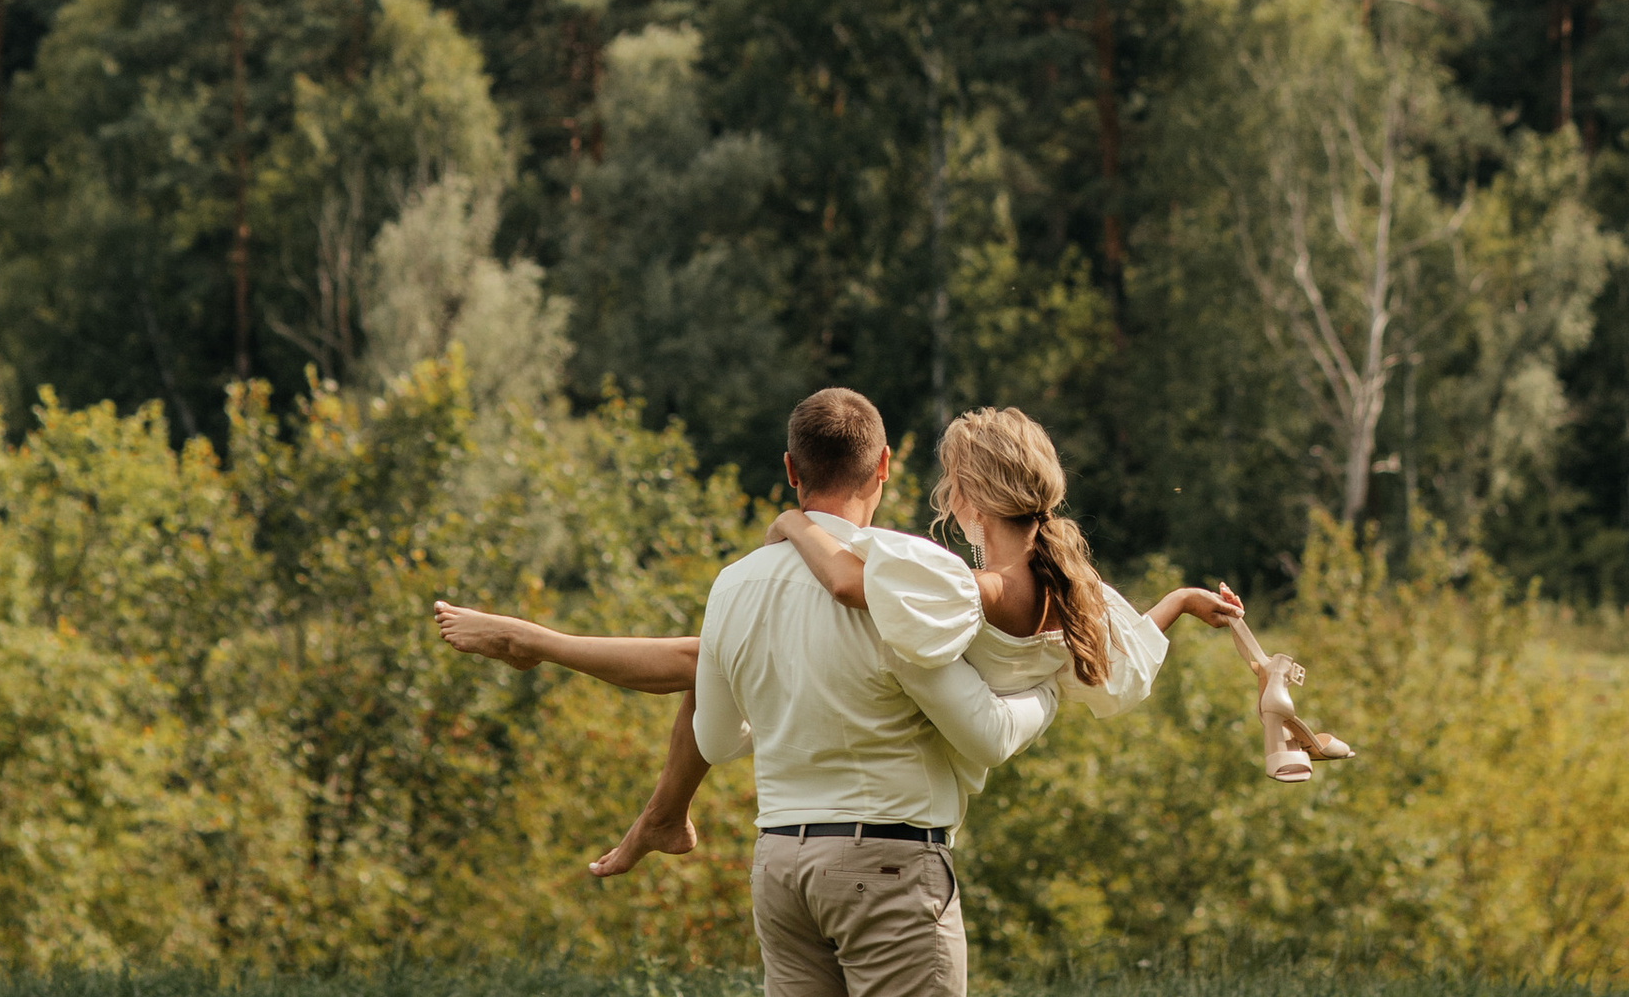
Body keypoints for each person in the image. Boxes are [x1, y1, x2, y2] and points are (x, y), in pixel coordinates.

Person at [433, 403, 1248, 882]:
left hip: (921, 768)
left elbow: (851, 584)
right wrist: (1176, 600)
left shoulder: (969, 586)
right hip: (927, 762)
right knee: (717, 649)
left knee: (713, 650)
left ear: (966, 498)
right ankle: (604, 728)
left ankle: (563, 667)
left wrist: (791, 524)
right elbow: (1123, 663)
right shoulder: (1074, 590)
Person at [444, 387, 1059, 997]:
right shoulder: (909, 570)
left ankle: (543, 646)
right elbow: (983, 724)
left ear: (791, 470)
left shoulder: (734, 584)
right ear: (884, 466)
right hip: (889, 864)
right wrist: (1055, 683)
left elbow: (712, 734)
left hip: (781, 869)